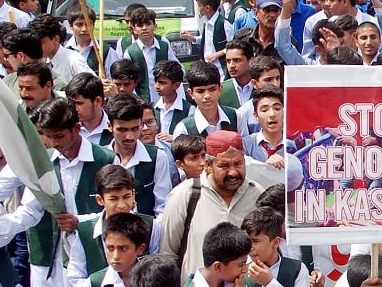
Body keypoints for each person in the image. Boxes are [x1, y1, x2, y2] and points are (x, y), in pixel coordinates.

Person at [0, 98, 116, 286]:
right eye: (48, 136)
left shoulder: (106, 160)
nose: (53, 143)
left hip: (93, 255)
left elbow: (119, 211)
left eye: (59, 136)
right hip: (48, 264)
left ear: (76, 129)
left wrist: (80, 222)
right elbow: (29, 212)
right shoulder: (43, 163)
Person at [161, 131, 264, 277]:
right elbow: (168, 254)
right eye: (225, 166)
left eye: (238, 164)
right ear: (208, 165)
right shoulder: (185, 195)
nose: (233, 172)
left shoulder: (257, 195)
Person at [67, 165, 162, 284]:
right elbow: (75, 277)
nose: (122, 205)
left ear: (133, 194)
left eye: (126, 197)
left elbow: (157, 268)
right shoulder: (85, 231)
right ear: (100, 200)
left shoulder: (151, 226)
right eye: (114, 199)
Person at [106, 93, 172, 216]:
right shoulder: (101, 158)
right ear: (110, 126)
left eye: (135, 129)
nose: (130, 136)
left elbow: (162, 206)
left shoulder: (157, 157)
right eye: (122, 130)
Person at [174, 62, 247, 138]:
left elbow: (245, 148)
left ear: (220, 89)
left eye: (212, 89)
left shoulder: (236, 116)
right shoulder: (184, 129)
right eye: (200, 91)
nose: (207, 96)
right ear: (191, 93)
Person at [124, 7, 181, 103]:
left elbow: (178, 69)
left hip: (165, 98)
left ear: (155, 26)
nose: (144, 28)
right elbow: (128, 80)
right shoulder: (131, 52)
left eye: (148, 24)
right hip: (141, 100)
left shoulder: (164, 47)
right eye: (140, 25)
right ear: (134, 29)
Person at [240, 209, 308, 287]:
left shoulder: (297, 270)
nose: (250, 247)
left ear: (276, 242)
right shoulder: (240, 270)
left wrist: (269, 283)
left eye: (255, 241)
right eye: (247, 241)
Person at [29, 14, 93, 82]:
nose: (36, 47)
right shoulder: (43, 63)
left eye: (41, 43)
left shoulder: (73, 60)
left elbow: (92, 86)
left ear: (56, 39)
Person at [242, 86, 294, 169]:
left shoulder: (294, 144)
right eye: (264, 110)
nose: (272, 114)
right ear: (256, 116)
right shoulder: (246, 145)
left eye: (277, 108)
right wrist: (265, 169)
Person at [65, 6, 119, 79]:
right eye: (79, 24)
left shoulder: (106, 51)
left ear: (93, 25)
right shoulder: (65, 50)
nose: (84, 29)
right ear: (71, 26)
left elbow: (114, 80)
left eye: (88, 24)